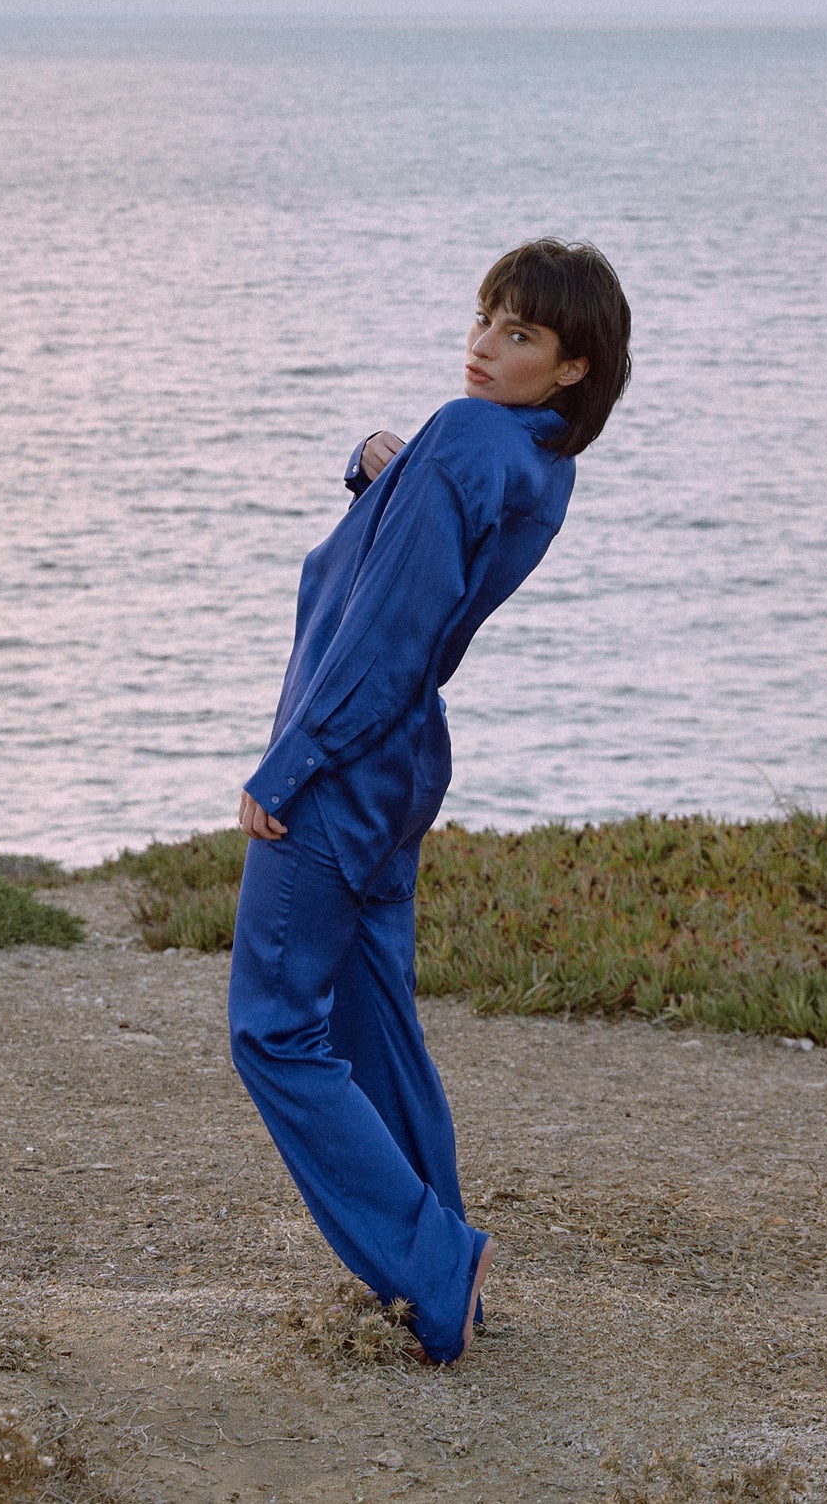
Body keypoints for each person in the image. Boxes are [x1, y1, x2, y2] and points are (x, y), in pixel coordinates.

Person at [228, 238, 632, 1364]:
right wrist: (382, 470)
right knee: (374, 1027)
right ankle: (441, 1267)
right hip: (402, 765)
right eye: (484, 319)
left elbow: (388, 631)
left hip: (348, 760)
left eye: (520, 336)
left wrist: (288, 766)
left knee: (273, 1030)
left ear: (571, 369)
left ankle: (435, 1265)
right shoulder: (535, 462)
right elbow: (432, 544)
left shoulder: (463, 440)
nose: (483, 344)